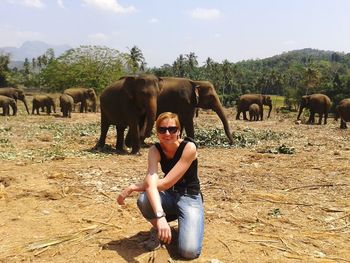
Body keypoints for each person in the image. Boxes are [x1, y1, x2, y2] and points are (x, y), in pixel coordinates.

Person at [117, 112, 204, 259]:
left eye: (172, 129)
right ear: (157, 133)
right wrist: (160, 217)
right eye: (162, 130)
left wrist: (134, 187)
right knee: (144, 199)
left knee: (189, 252)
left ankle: (182, 227)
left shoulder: (189, 148)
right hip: (169, 195)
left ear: (179, 131)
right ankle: (161, 229)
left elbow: (164, 183)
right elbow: (152, 183)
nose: (167, 133)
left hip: (189, 197)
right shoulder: (154, 150)